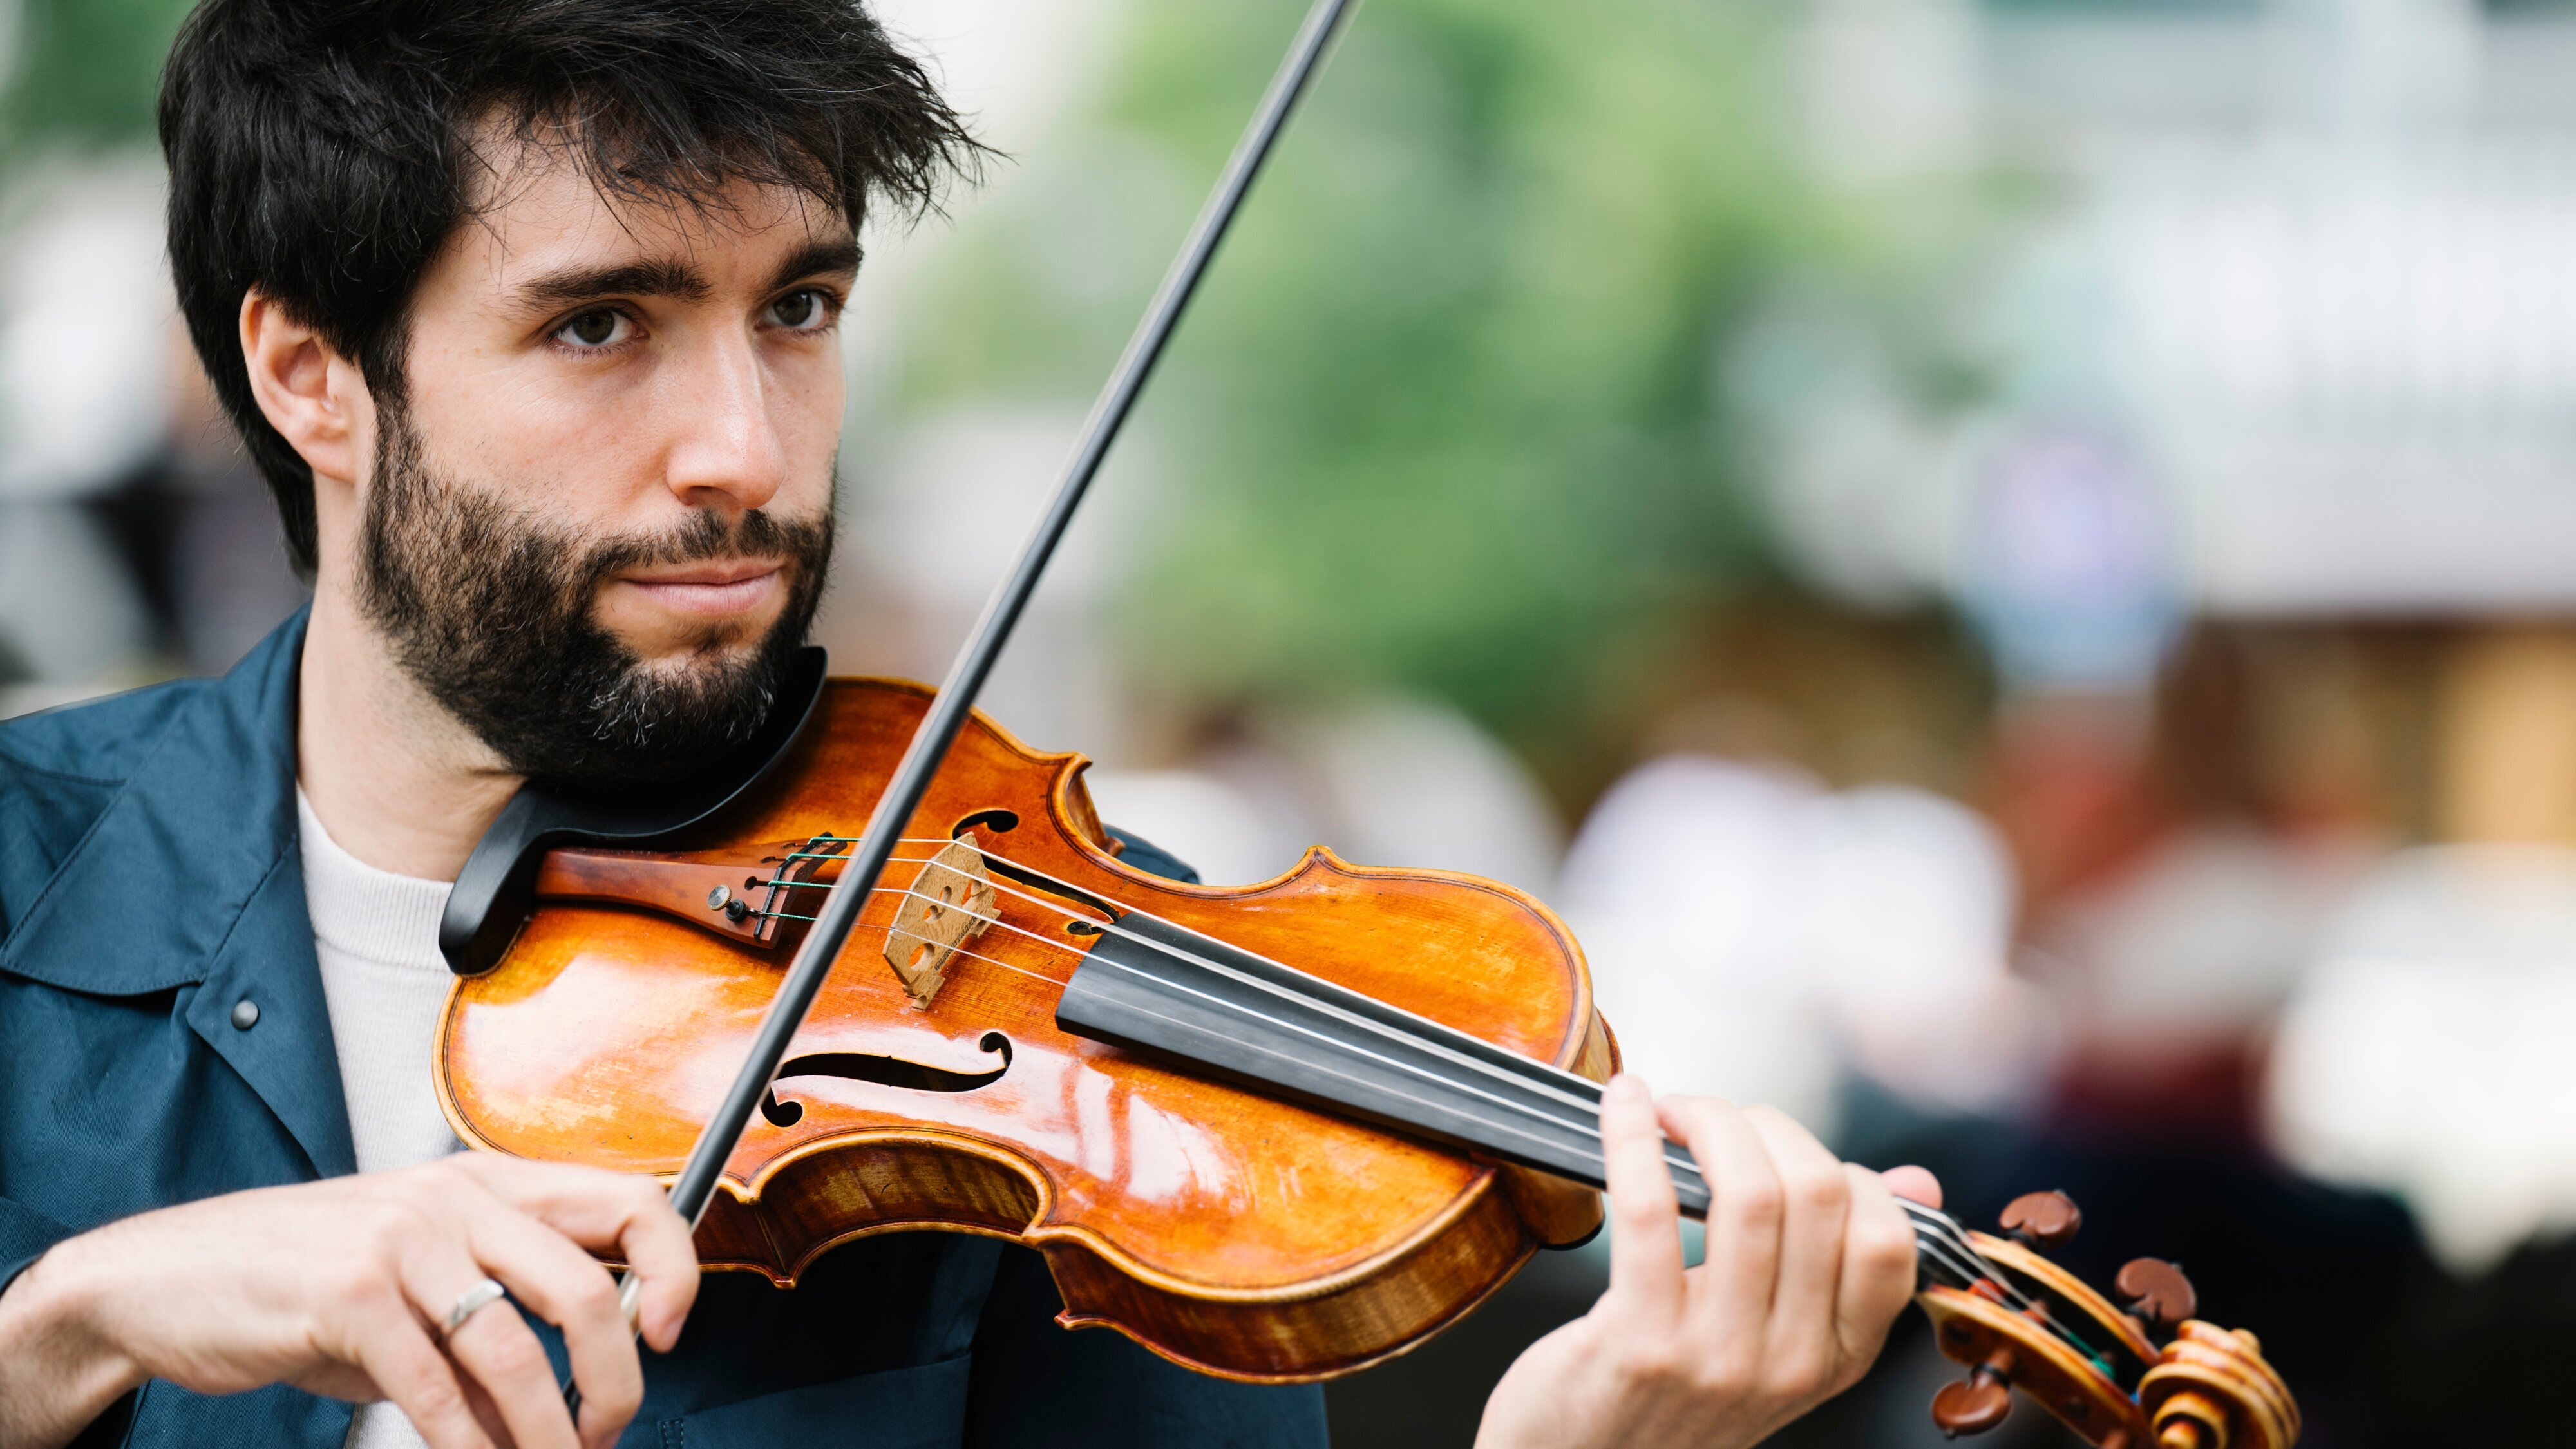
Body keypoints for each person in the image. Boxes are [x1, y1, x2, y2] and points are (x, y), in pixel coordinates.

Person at [0, 3, 1941, 1446]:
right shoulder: (19, 881)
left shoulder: (1082, 1010)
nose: (744, 453)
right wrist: (75, 1320)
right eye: (601, 326)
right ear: (310, 371)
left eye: (801, 307)